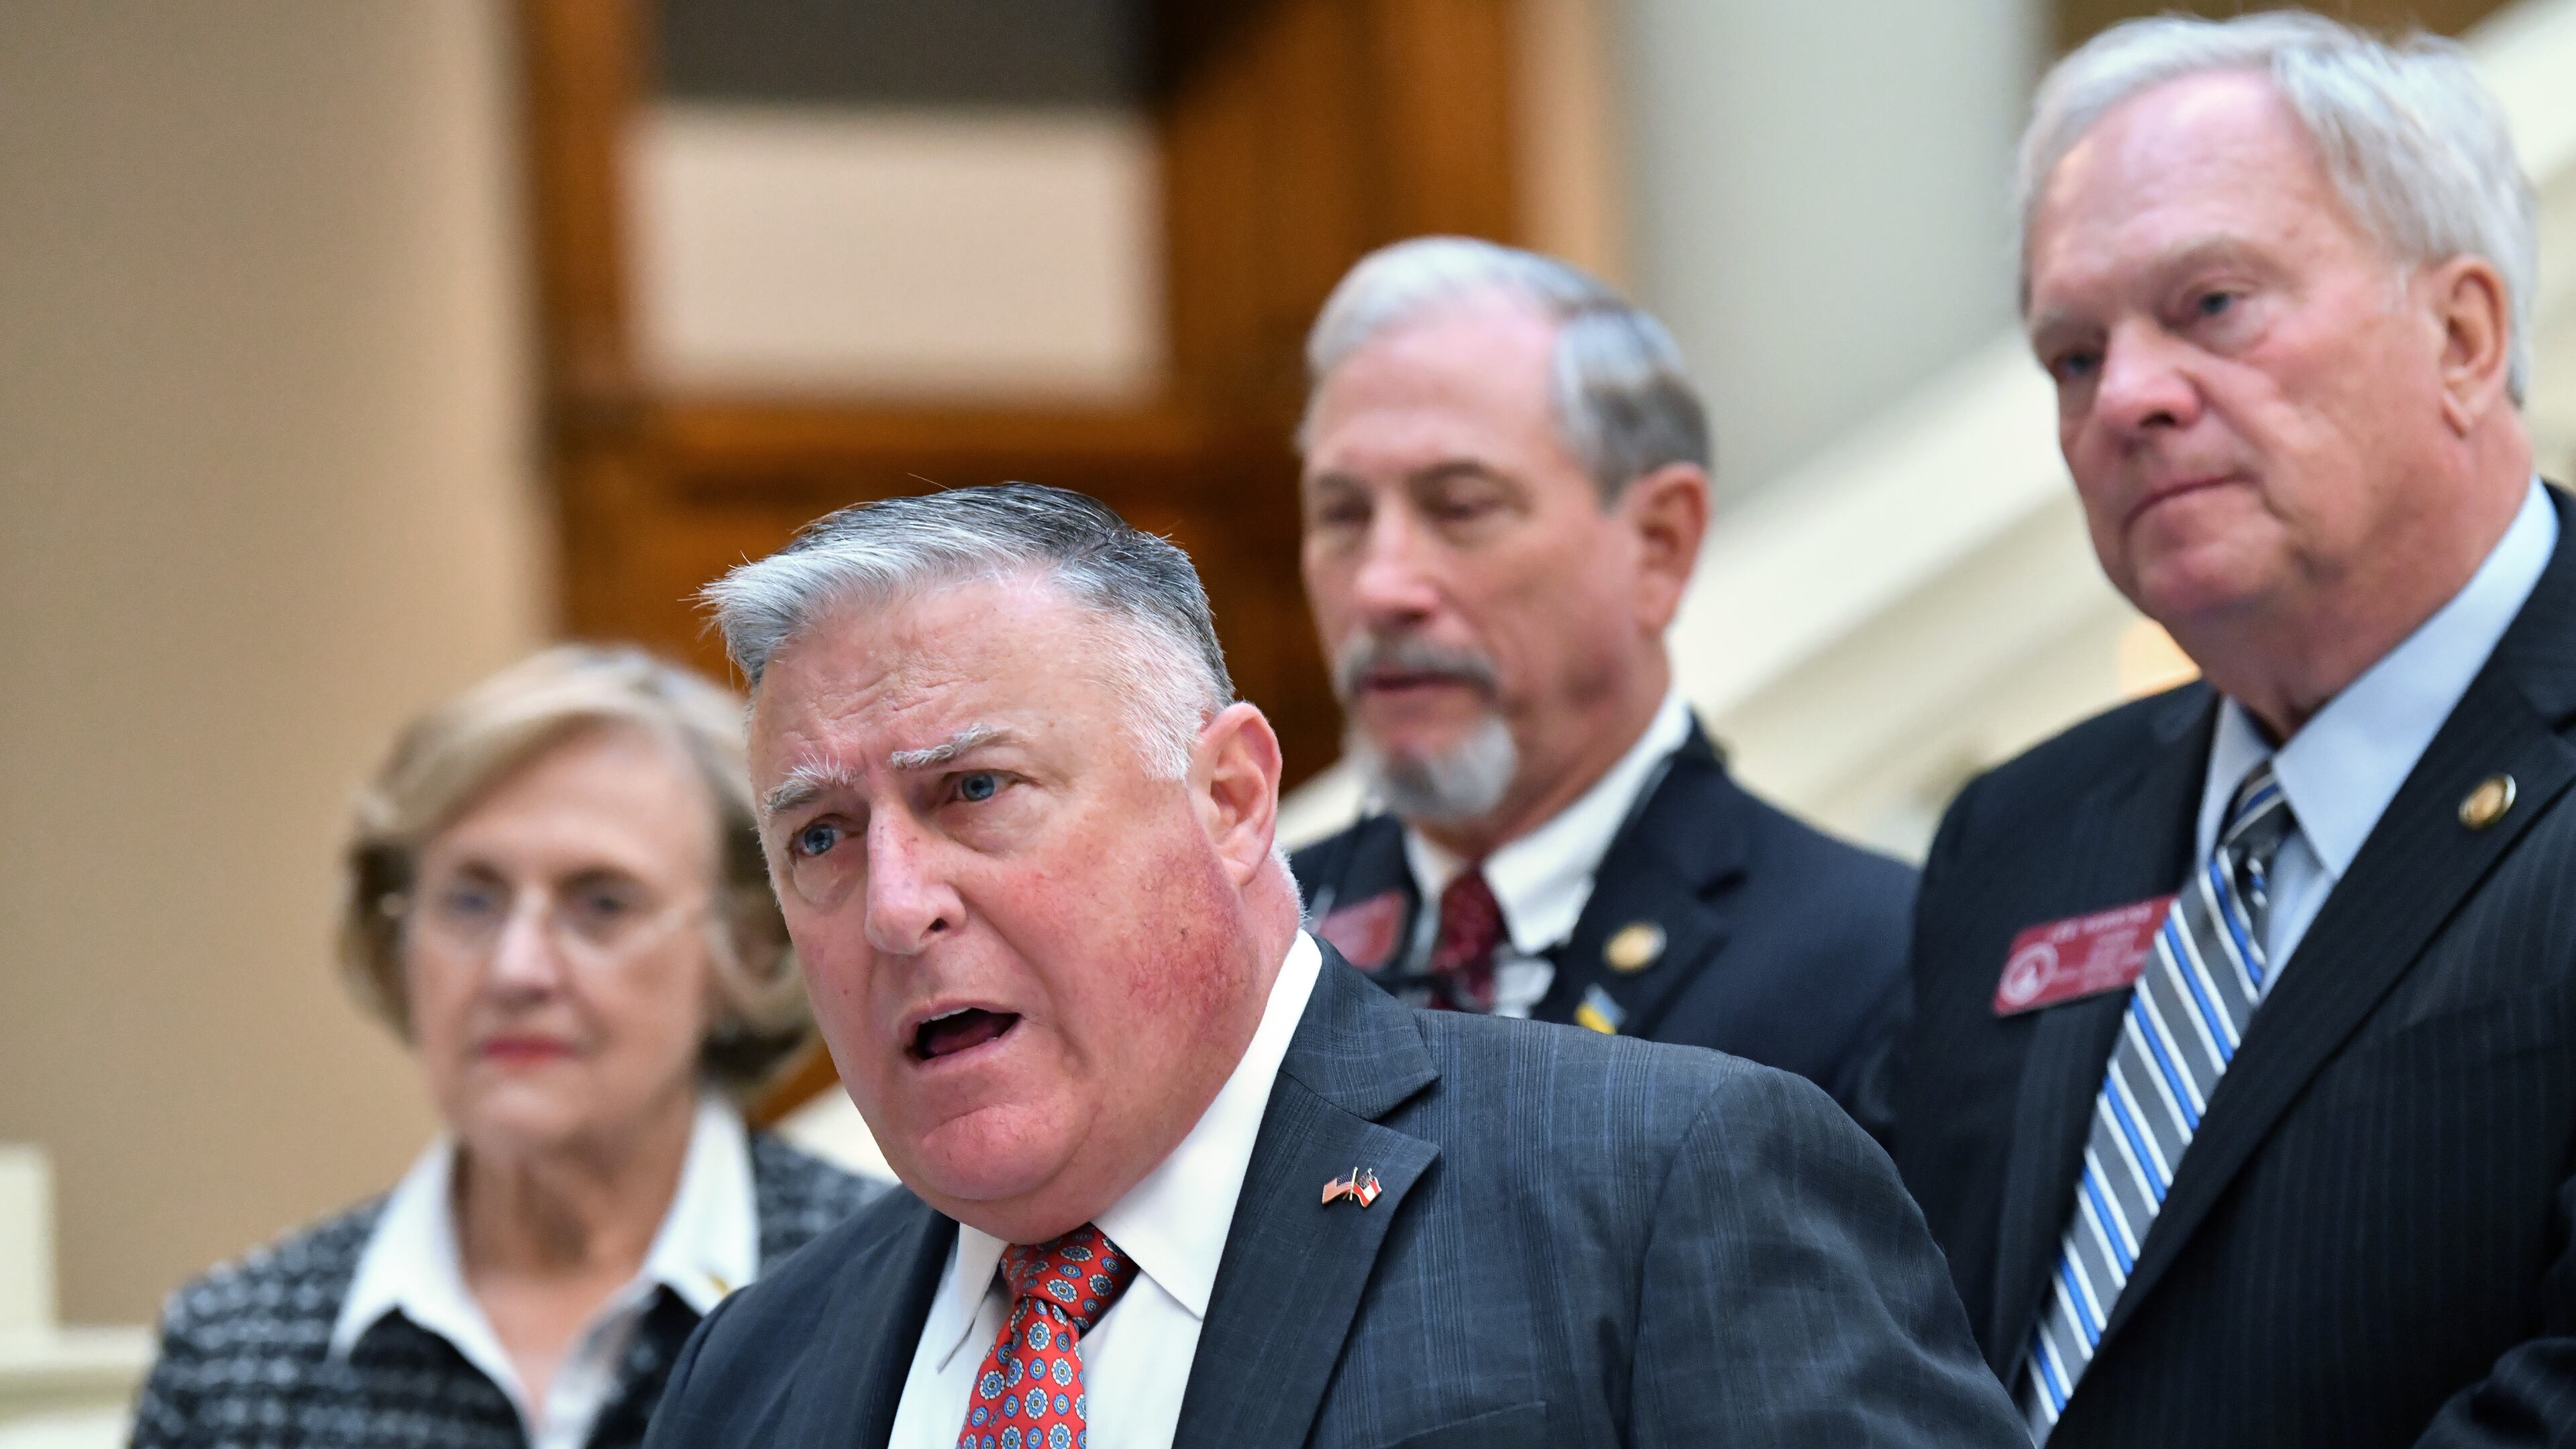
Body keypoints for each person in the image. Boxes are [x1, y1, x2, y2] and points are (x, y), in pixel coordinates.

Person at [637, 482, 2023, 1448]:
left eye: (976, 791)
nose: (895, 905)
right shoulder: (752, 1372)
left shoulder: (1662, 1190)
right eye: (820, 835)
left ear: (1233, 798)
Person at [1879, 14, 2575, 1447]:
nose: (2126, 397)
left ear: (2462, 335)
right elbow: (1887, 1340)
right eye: (2073, 356)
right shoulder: (2017, 839)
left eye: (2212, 305)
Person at [130, 646, 885, 1449]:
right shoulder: (234, 1354)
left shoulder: (896, 1292)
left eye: (601, 903)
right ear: (397, 937)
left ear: (752, 946)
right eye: (470, 899)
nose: (516, 970)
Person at [1288, 237, 1914, 1110]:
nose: (1381, 585)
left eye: (1461, 507)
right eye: (1342, 515)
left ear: (1659, 546)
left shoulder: (1869, 955)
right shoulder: (1251, 938)